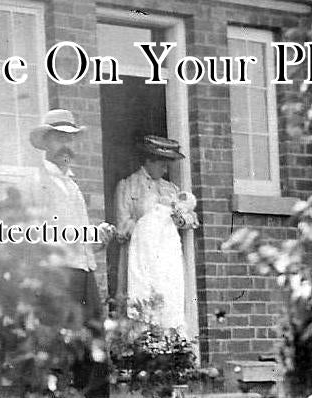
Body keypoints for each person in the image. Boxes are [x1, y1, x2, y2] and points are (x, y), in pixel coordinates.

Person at [20, 108, 116, 398]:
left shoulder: (72, 185)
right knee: (56, 350)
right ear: (46, 142)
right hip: (57, 277)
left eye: (71, 139)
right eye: (60, 138)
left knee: (93, 350)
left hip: (84, 274)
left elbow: (81, 241)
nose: (67, 146)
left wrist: (99, 238)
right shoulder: (36, 183)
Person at [114, 135, 198, 333]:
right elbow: (122, 227)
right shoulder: (128, 186)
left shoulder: (171, 189)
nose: (165, 170)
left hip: (166, 259)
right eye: (162, 164)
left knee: (169, 304)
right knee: (140, 305)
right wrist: (149, 225)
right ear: (149, 160)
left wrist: (180, 219)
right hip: (140, 257)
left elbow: (192, 218)